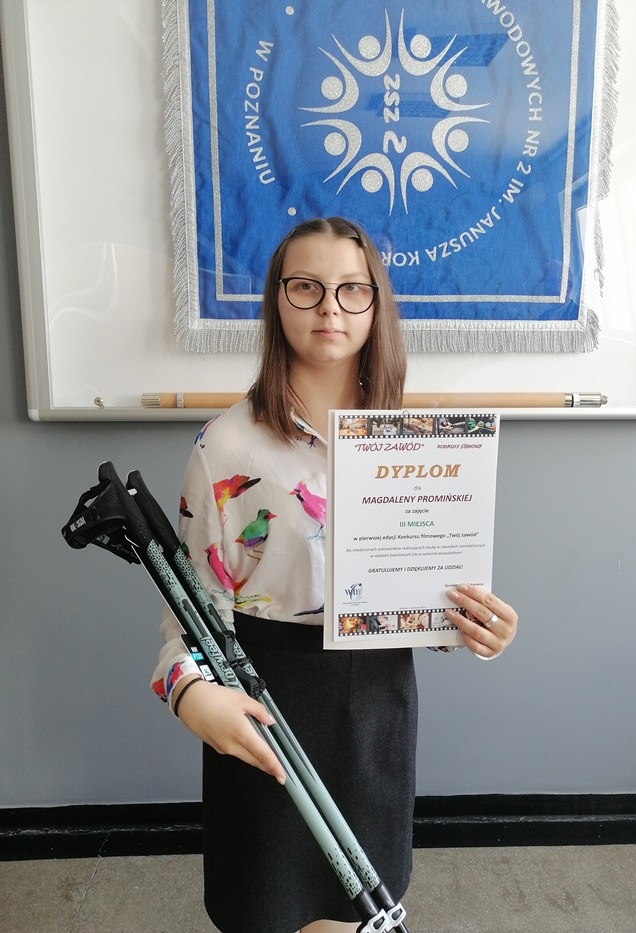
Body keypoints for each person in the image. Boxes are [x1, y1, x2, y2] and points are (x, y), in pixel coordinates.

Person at [151, 216, 518, 933]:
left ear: (377, 304)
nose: (329, 307)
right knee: (266, 904)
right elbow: (186, 616)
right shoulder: (226, 447)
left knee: (359, 912)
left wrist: (476, 625)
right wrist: (188, 692)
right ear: (276, 298)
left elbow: (421, 596)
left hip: (377, 701)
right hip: (264, 696)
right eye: (306, 287)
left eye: (352, 289)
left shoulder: (415, 445)